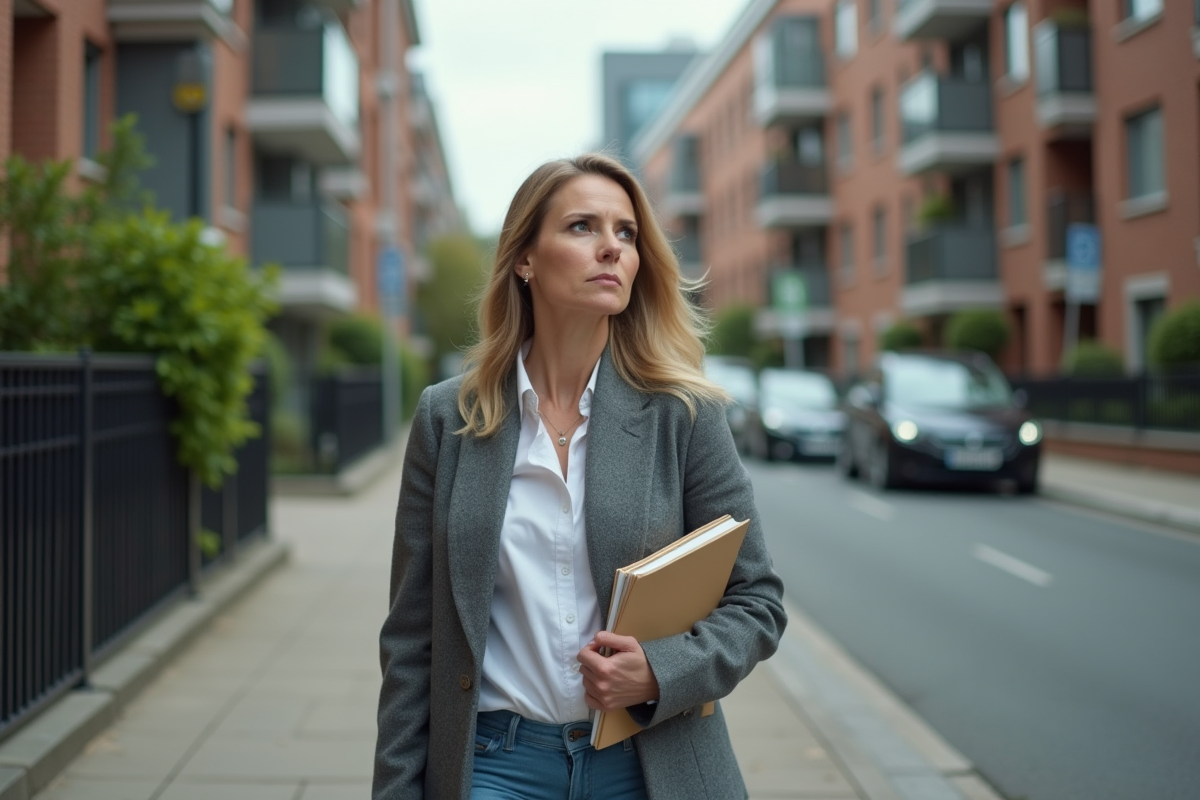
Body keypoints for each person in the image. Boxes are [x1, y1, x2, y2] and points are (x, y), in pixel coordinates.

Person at [373, 153, 786, 800]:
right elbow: (412, 637)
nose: (611, 249)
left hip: (650, 764)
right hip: (493, 766)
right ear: (524, 259)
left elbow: (758, 601)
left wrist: (658, 670)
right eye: (582, 227)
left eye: (626, 233)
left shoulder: (684, 415)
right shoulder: (446, 419)